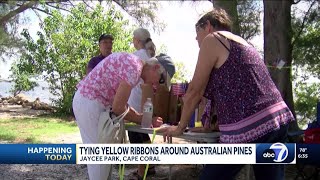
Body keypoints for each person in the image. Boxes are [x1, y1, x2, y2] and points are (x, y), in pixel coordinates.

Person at [159, 8, 295, 180]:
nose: (196, 38)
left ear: (208, 26)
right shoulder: (243, 43)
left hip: (249, 127)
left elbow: (195, 91)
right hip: (276, 119)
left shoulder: (213, 39)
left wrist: (179, 127)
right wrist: (210, 126)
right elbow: (235, 90)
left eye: (197, 32)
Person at [73, 52, 171, 180]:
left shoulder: (133, 63)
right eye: (161, 80)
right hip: (91, 103)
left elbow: (120, 104)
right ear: (156, 68)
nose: (157, 85)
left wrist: (142, 118)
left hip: (88, 101)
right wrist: (142, 119)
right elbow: (118, 107)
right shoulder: (134, 69)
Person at [127, 28, 158, 179]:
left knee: (136, 137)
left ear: (137, 41)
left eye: (133, 38)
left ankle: (141, 172)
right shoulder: (150, 55)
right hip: (147, 100)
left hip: (136, 101)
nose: (132, 41)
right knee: (144, 134)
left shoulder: (136, 56)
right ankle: (149, 167)